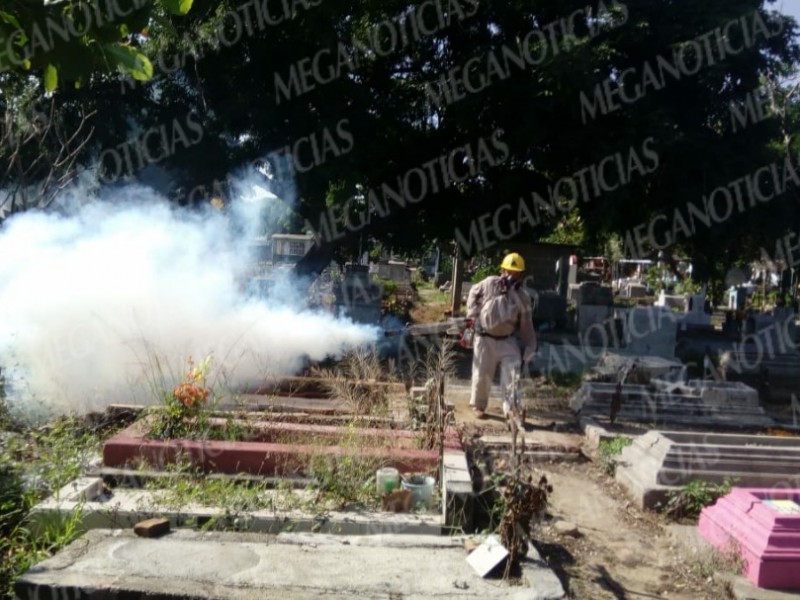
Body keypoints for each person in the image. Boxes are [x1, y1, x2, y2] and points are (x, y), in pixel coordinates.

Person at [465, 252, 537, 419]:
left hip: (507, 340)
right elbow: (473, 294)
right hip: (485, 337)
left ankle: (511, 409)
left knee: (512, 373)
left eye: (516, 273)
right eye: (508, 272)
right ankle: (479, 405)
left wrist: (529, 347)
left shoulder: (523, 297)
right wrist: (472, 316)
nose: (511, 276)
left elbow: (526, 324)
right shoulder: (489, 283)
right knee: (482, 374)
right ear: (502, 271)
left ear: (521, 275)